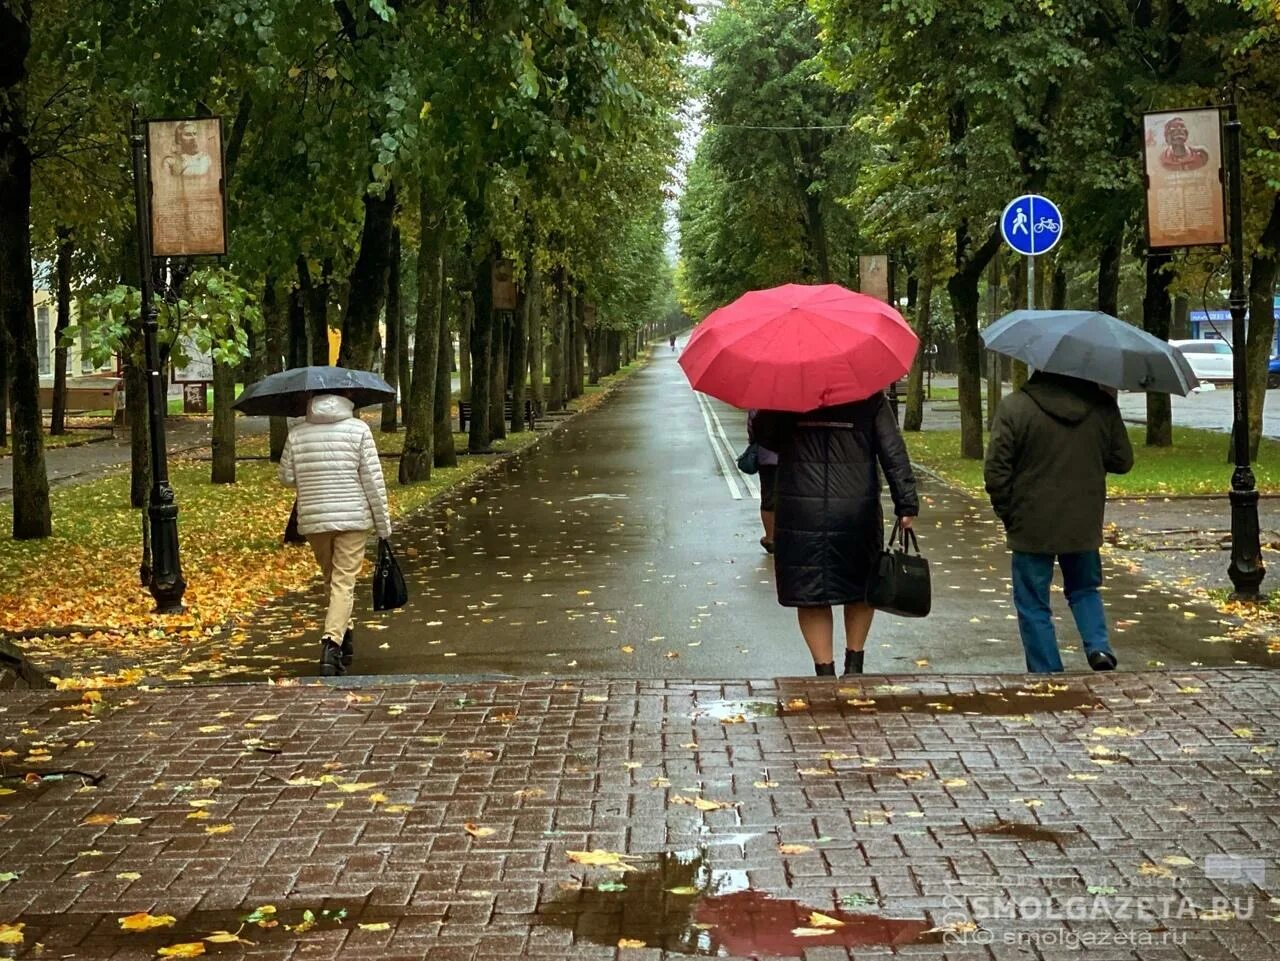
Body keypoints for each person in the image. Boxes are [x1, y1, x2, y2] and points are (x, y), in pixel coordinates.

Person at [754, 392, 918, 677]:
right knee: (860, 588)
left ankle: (824, 671)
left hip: (801, 506)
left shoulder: (786, 391)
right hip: (856, 506)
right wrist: (906, 501)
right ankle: (854, 664)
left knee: (811, 591)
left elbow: (767, 440)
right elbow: (892, 449)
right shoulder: (868, 392)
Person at [984, 371, 1134, 673]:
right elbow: (1123, 460)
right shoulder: (1102, 406)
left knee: (1032, 601)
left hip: (1029, 521)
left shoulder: (1015, 407)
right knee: (1085, 589)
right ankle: (1099, 647)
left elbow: (996, 470)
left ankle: (1047, 669)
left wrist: (1008, 513)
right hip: (1083, 520)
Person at [280, 392, 392, 677]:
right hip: (353, 518)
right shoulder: (359, 430)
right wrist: (383, 526)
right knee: (342, 582)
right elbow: (373, 481)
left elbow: (286, 477)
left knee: (334, 580)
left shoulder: (298, 433)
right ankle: (331, 644)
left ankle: (345, 638)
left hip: (316, 520)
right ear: (347, 398)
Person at [746, 409, 779, 553]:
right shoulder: (796, 398)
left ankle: (770, 537)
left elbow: (752, 430)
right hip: (792, 456)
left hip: (766, 456)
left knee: (768, 496)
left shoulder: (758, 402)